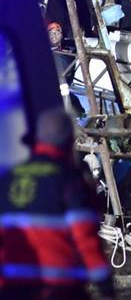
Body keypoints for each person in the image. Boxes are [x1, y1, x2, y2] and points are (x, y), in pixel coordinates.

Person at [0, 109, 114, 299]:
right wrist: (105, 284)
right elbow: (85, 237)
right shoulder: (69, 178)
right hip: (57, 286)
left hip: (11, 285)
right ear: (69, 141)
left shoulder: (8, 178)